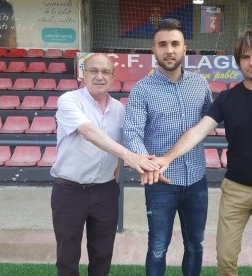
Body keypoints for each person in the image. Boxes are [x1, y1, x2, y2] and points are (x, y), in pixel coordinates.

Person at [156, 29, 252, 276]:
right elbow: (198, 131)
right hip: (235, 190)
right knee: (225, 261)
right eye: (245, 57)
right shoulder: (227, 98)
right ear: (238, 63)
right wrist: (166, 158)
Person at [50, 53, 160, 276]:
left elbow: (124, 141)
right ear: (83, 73)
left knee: (102, 254)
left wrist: (122, 171)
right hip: (70, 191)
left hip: (105, 191)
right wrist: (131, 157)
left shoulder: (119, 109)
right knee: (67, 256)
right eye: (93, 71)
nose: (99, 76)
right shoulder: (69, 100)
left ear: (113, 76)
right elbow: (89, 133)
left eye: (106, 72)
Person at [124, 18, 213, 276]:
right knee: (158, 247)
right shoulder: (142, 90)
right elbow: (132, 133)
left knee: (196, 246)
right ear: (153, 50)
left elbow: (210, 121)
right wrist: (148, 165)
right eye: (162, 44)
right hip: (160, 183)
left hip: (196, 179)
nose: (169, 50)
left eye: (175, 44)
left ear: (185, 48)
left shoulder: (200, 85)